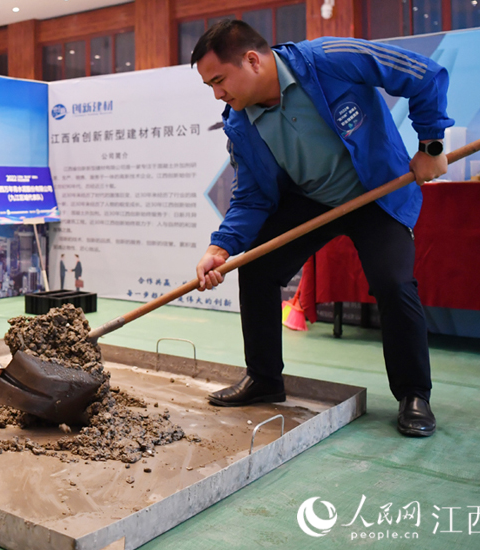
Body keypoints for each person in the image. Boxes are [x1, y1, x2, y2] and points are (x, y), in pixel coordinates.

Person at [192, 21, 452, 437]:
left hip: (376, 192)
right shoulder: (241, 124)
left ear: (253, 60)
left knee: (393, 283)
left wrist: (431, 146)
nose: (218, 94)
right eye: (211, 86)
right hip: (311, 200)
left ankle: (413, 394)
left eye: (219, 80)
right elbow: (253, 197)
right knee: (256, 269)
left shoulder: (330, 58)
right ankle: (264, 379)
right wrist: (220, 247)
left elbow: (424, 75)